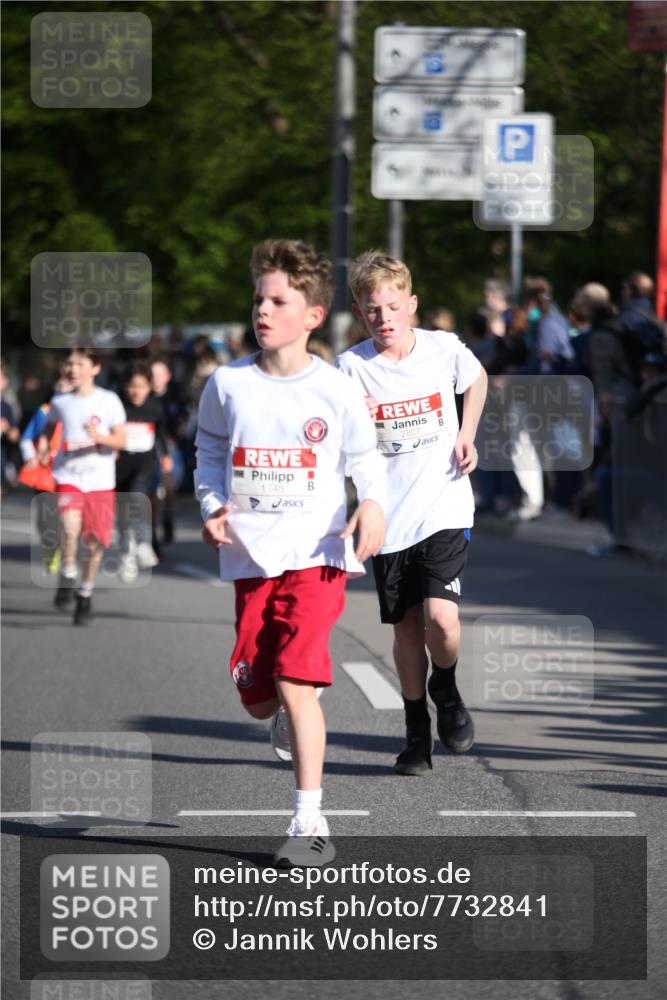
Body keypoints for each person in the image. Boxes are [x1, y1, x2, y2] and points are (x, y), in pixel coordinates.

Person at [194, 239, 385, 865]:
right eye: (258, 299)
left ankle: (310, 823)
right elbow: (210, 455)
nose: (264, 310)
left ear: (311, 315)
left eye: (280, 300)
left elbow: (365, 460)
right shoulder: (226, 385)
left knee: (296, 681)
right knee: (258, 697)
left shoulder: (333, 389)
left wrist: (372, 504)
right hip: (252, 556)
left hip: (318, 552)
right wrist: (212, 506)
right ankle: (281, 709)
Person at [337, 251, 487, 777]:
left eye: (393, 307)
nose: (384, 318)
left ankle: (445, 687)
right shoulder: (352, 366)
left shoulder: (443, 349)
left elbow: (478, 379)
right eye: (373, 310)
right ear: (360, 312)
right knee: (405, 630)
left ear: (412, 305)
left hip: (444, 502)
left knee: (440, 618)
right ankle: (415, 733)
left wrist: (466, 433)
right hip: (388, 515)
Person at [44, 348, 126, 624]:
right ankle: (67, 571)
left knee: (93, 544)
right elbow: (49, 427)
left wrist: (100, 437)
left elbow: (121, 441)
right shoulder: (61, 401)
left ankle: (85, 593)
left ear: (95, 368)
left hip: (101, 481)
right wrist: (44, 447)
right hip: (69, 476)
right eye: (69, 363)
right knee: (69, 529)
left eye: (80, 363)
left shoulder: (109, 400)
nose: (73, 369)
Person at [116, 361, 172, 580]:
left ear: (150, 387)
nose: (135, 391)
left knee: (136, 499)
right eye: (131, 386)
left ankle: (142, 542)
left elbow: (161, 433)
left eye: (141, 386)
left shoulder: (155, 407)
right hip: (119, 465)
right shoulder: (117, 406)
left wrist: (165, 455)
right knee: (123, 513)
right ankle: (126, 556)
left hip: (145, 462)